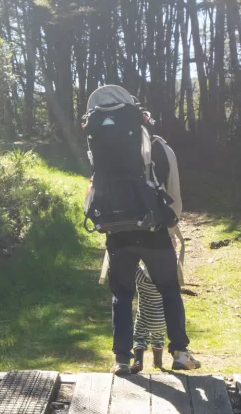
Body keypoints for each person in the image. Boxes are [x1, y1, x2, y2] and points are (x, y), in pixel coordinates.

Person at [85, 85, 200, 375]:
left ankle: (121, 359)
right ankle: (180, 352)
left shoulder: (99, 149)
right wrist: (171, 220)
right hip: (154, 231)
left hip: (117, 233)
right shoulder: (158, 146)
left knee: (121, 295)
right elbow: (173, 190)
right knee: (169, 290)